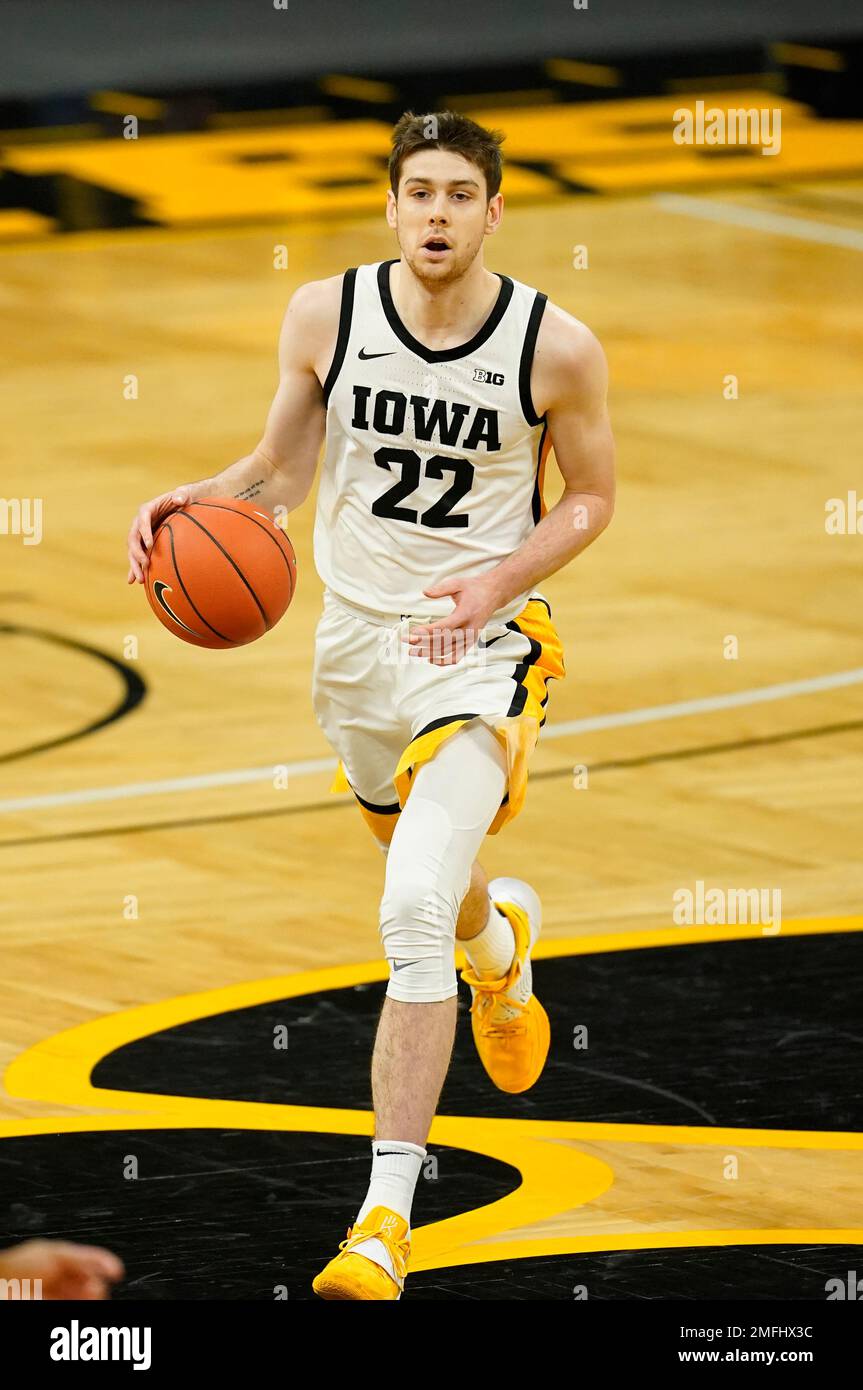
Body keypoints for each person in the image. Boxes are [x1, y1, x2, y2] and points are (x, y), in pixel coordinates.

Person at [127, 110, 615, 1300]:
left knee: (404, 912)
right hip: (353, 650)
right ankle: (500, 953)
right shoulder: (324, 314)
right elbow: (283, 469)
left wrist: (499, 578)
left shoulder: (554, 346)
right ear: (390, 206)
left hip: (481, 649)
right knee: (435, 892)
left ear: (494, 210)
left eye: (460, 194)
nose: (438, 213)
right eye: (419, 193)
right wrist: (199, 496)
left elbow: (591, 500)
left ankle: (382, 1220)